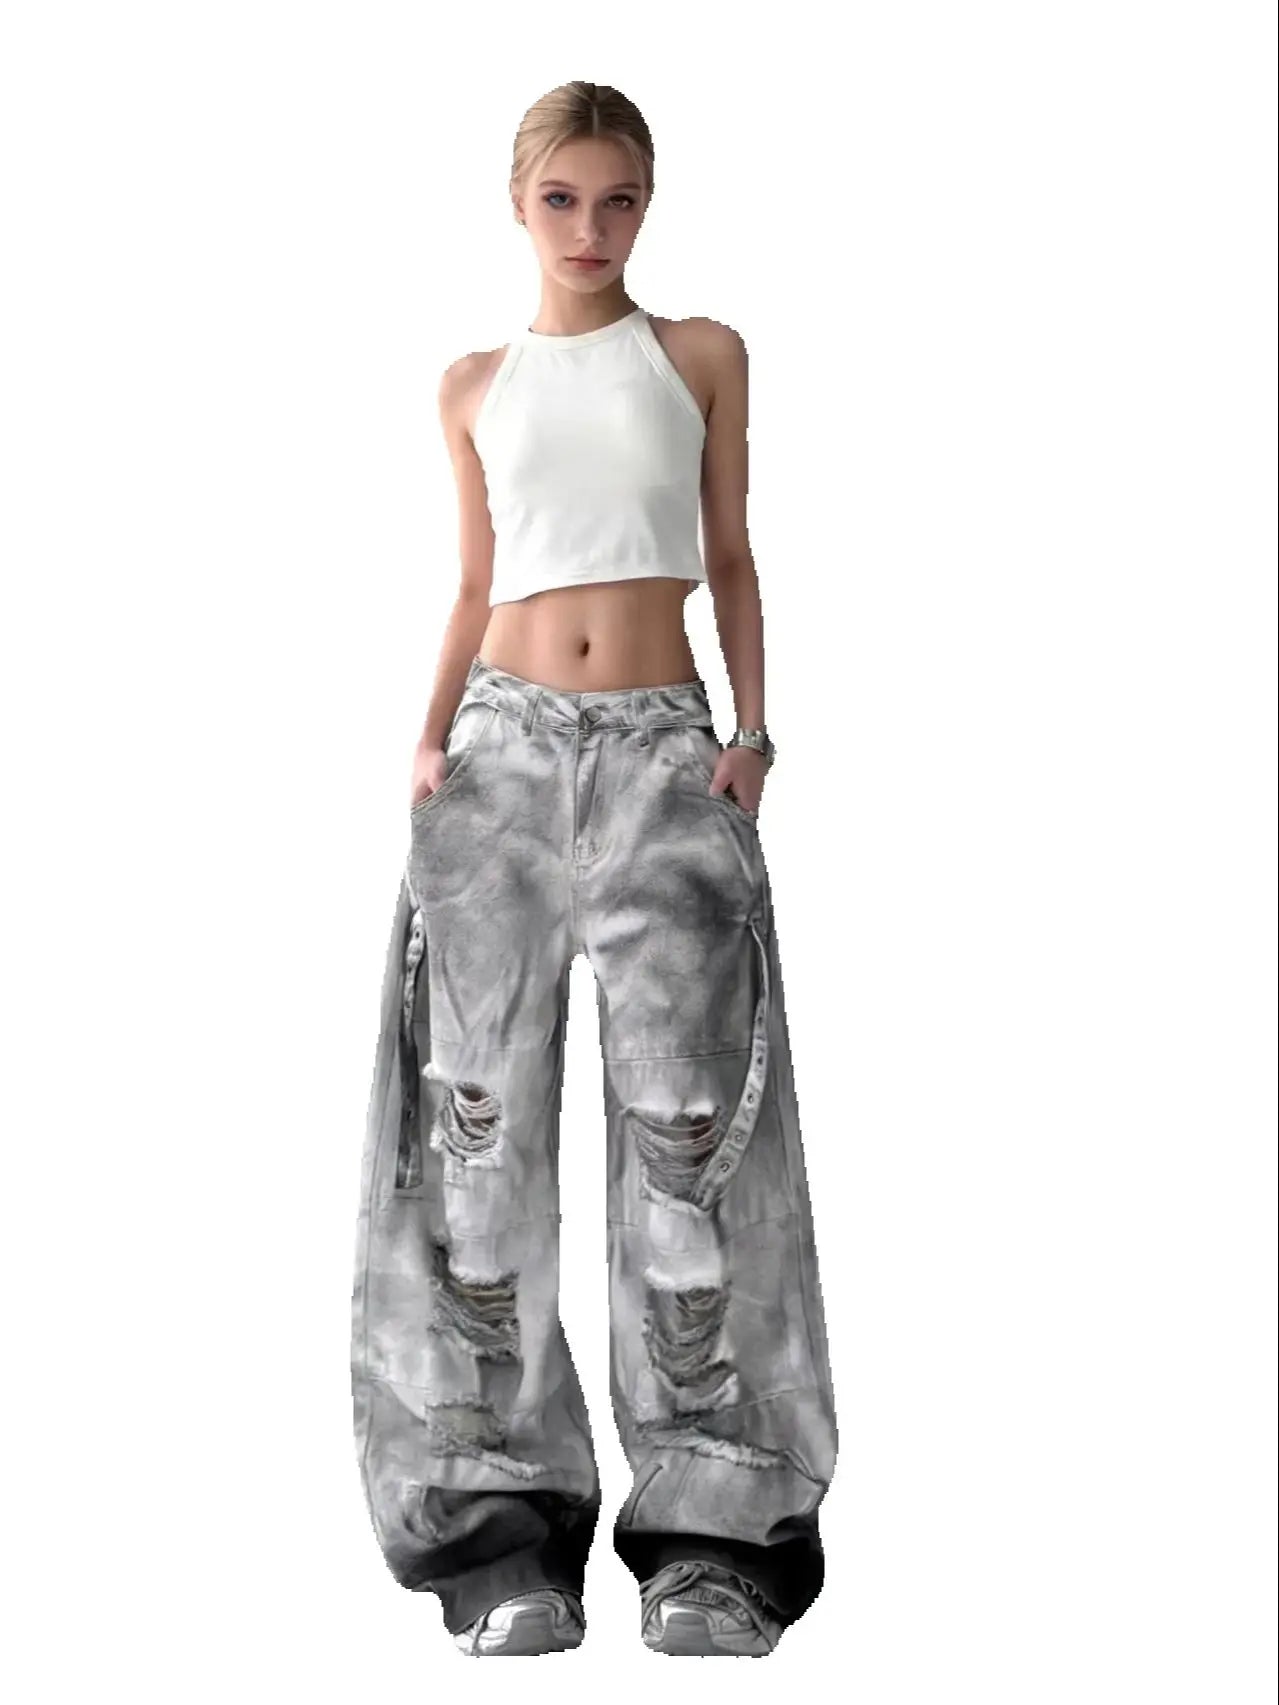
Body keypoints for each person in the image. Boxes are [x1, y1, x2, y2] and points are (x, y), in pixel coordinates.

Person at [350, 81, 838, 1658]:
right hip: (497, 753)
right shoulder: (472, 384)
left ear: (648, 204)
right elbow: (474, 578)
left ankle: (714, 1540)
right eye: (562, 198)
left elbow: (733, 552)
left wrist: (750, 733)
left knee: (694, 1140)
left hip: (660, 754)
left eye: (618, 198)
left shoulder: (699, 354)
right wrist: (428, 740)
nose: (590, 227)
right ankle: (498, 1541)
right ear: (519, 204)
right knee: (473, 1137)